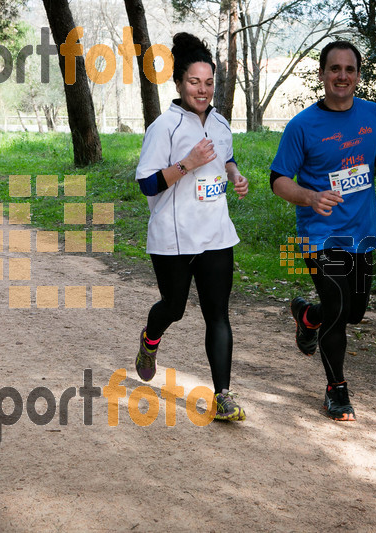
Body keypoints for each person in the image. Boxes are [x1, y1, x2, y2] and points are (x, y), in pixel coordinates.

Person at [270, 41, 376, 421]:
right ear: (322, 75)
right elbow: (278, 180)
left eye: (349, 69)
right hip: (320, 235)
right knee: (340, 306)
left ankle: (308, 317)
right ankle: (337, 390)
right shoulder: (302, 126)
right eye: (334, 69)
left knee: (353, 313)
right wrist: (311, 198)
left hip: (361, 233)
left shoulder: (373, 115)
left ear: (358, 75)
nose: (342, 76)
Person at [133, 32, 249, 422]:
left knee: (218, 314)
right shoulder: (163, 127)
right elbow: (147, 183)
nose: (203, 89)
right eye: (195, 82)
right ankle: (151, 340)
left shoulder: (219, 122)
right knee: (175, 307)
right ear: (180, 83)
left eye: (209, 82)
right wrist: (188, 163)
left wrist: (233, 174)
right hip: (173, 236)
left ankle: (223, 396)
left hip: (216, 232)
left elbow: (227, 155)